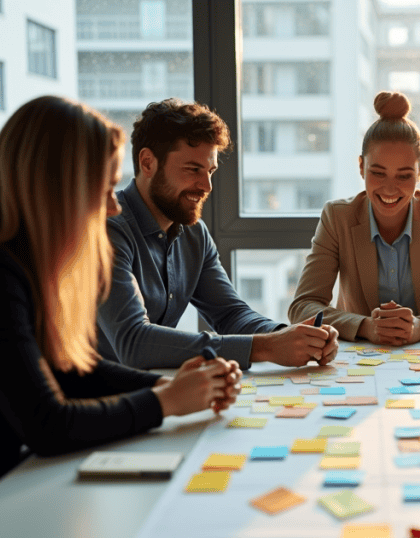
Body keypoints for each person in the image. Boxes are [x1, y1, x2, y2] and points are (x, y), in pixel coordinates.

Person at [0, 96, 241, 533]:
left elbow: (72, 370)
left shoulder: (15, 265)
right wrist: (166, 401)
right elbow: (47, 424)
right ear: (54, 190)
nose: (114, 208)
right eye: (102, 192)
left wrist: (169, 384)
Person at [97, 98, 339, 369]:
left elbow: (230, 314)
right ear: (148, 163)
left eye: (210, 170)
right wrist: (266, 347)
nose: (207, 186)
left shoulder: (193, 234)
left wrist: (290, 336)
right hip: (99, 399)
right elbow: (133, 343)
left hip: (162, 390)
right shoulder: (108, 230)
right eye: (193, 170)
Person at [288, 91, 420, 345]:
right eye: (378, 173)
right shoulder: (337, 218)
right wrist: (364, 326)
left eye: (404, 176)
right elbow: (301, 308)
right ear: (361, 166)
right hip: (358, 361)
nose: (389, 188)